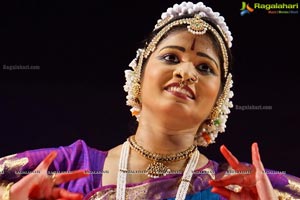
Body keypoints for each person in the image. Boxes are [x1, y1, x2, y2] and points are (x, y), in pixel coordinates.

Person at [1, 1, 300, 199]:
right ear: (139, 76)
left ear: (219, 99)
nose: (186, 73)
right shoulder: (66, 169)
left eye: (204, 67)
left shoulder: (239, 188)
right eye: (171, 57)